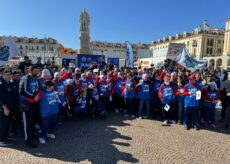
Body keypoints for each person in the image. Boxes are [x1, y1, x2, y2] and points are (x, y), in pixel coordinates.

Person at [19, 65, 41, 148]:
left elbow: (37, 89)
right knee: (27, 123)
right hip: (25, 104)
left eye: (37, 71)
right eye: (35, 71)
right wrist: (33, 96)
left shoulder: (35, 79)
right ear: (30, 71)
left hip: (33, 103)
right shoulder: (25, 78)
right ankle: (27, 140)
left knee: (32, 121)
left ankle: (31, 135)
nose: (37, 72)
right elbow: (22, 91)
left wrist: (37, 95)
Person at [0, 68, 14, 146]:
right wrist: (5, 108)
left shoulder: (8, 83)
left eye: (10, 74)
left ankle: (5, 137)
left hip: (10, 107)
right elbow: (1, 98)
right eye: (7, 74)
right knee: (3, 124)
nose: (9, 76)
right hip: (4, 108)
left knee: (7, 123)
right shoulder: (1, 84)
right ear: (3, 75)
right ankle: (1, 140)